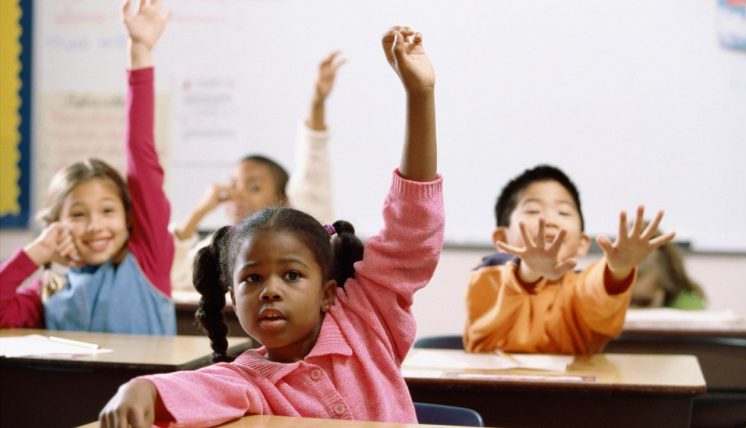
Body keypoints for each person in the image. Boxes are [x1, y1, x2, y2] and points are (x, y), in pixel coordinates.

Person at [98, 25, 442, 427]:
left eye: (293, 275)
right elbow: (197, 388)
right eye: (252, 279)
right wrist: (142, 388)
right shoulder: (247, 379)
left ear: (328, 293)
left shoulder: (366, 320)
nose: (270, 291)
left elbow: (411, 229)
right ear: (231, 295)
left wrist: (420, 96)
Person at [0, 0, 174, 334]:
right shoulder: (48, 291)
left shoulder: (147, 259)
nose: (95, 226)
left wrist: (139, 52)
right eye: (78, 215)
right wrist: (36, 253)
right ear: (56, 225)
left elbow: (141, 151)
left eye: (108, 211)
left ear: (128, 217)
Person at [170, 51, 344, 293]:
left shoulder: (303, 237)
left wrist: (317, 103)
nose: (236, 194)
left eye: (253, 187)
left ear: (283, 200)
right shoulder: (220, 246)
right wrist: (199, 213)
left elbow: (313, 164)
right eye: (233, 184)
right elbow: (172, 278)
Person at [464, 165, 676, 354]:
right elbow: (482, 335)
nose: (549, 219)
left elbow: (600, 298)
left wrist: (618, 269)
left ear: (582, 243)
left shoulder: (581, 287)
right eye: (533, 210)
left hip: (573, 396)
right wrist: (529, 271)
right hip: (490, 394)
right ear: (502, 237)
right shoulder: (487, 275)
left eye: (564, 212)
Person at [631, 231, 706, 309]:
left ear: (667, 290)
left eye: (644, 303)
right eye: (630, 301)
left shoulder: (689, 307)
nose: (636, 310)